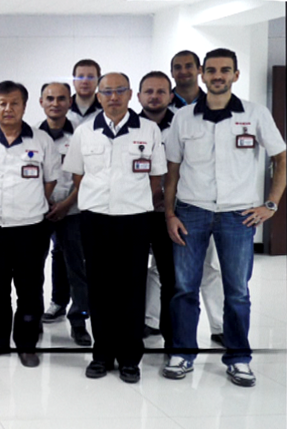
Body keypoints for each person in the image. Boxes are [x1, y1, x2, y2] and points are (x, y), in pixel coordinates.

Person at [163, 48, 286, 387]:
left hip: (238, 215)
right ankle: (182, 353)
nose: (218, 76)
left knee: (237, 291)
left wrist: (271, 205)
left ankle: (238, 358)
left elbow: (281, 158)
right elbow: (172, 171)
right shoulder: (184, 118)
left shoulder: (255, 114)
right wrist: (170, 213)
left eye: (225, 70)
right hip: (192, 211)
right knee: (184, 288)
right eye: (212, 70)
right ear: (202, 74)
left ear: (236, 74)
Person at [63, 72, 167, 383]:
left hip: (135, 218)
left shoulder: (148, 130)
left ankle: (130, 358)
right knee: (99, 287)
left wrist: (132, 200)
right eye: (107, 91)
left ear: (130, 94)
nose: (113, 97)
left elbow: (156, 177)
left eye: (120, 90)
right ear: (98, 96)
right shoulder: (85, 132)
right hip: (95, 218)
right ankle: (102, 354)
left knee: (132, 288)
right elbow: (78, 175)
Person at [0, 81, 59, 368]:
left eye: (15, 103)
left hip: (31, 228)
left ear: (24, 106)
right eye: (2, 103)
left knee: (30, 288)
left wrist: (28, 202)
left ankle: (27, 344)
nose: (8, 109)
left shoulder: (42, 141)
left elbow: (50, 181)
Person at [137, 71, 225, 346]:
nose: (154, 96)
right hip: (135, 212)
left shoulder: (182, 123)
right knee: (142, 272)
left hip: (174, 212)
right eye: (149, 91)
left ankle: (180, 335)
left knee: (176, 274)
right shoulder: (130, 127)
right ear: (139, 96)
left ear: (170, 95)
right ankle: (144, 323)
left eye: (161, 91)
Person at [38, 82, 91, 346]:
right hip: (40, 211)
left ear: (70, 102)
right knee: (33, 268)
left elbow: (88, 174)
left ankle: (79, 322)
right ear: (41, 102)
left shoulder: (82, 133)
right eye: (50, 98)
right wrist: (46, 202)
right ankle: (33, 319)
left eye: (61, 98)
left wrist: (67, 204)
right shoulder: (33, 135)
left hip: (73, 209)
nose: (55, 103)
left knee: (77, 267)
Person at [66, 59, 102, 127]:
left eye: (90, 77)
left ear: (98, 81)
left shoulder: (106, 110)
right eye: (80, 77)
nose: (85, 81)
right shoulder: (62, 108)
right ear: (73, 81)